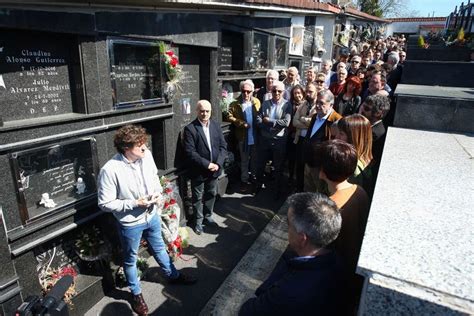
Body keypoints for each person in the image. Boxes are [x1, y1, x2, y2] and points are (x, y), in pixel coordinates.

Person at [98, 125, 197, 315]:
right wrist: (135, 203)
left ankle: (173, 275)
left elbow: (154, 178)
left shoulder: (146, 156)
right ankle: (136, 294)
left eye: (145, 144)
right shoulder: (110, 170)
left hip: (151, 215)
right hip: (130, 223)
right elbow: (105, 203)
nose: (145, 149)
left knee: (159, 247)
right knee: (130, 260)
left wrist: (157, 195)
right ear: (126, 148)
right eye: (140, 146)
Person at [239, 192, 344, 315]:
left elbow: (248, 311)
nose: (286, 228)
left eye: (288, 223)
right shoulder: (336, 261)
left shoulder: (288, 293)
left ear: (302, 239)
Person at [313, 139, 369, 313]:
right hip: (354, 270)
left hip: (334, 278)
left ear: (322, 171)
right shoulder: (359, 191)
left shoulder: (327, 209)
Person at [183, 100, 227, 235]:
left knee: (211, 194)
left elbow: (223, 147)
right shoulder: (190, 129)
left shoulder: (215, 125)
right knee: (197, 197)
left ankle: (208, 216)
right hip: (199, 171)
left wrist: (218, 164)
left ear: (211, 111)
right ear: (197, 111)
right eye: (202, 111)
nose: (204, 114)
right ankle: (198, 222)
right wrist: (207, 164)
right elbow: (190, 152)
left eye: (207, 111)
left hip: (214, 169)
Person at [256, 80, 292, 197]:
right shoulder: (265, 103)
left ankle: (276, 190)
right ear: (271, 91)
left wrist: (269, 122)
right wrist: (267, 127)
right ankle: (257, 187)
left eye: (279, 91)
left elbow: (286, 122)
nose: (276, 93)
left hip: (279, 140)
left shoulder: (287, 104)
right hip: (265, 138)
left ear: (283, 92)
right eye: (274, 91)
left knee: (278, 167)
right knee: (260, 164)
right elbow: (259, 119)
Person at [303, 89, 342, 192]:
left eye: (322, 103)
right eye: (317, 102)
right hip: (309, 163)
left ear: (331, 105)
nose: (317, 106)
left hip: (321, 168)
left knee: (319, 193)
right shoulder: (315, 116)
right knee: (308, 190)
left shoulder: (337, 121)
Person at [227, 80, 261, 193]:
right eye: (243, 91)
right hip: (243, 137)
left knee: (255, 160)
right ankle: (244, 181)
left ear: (252, 91)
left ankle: (254, 180)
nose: (246, 94)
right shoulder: (235, 103)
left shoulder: (256, 102)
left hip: (255, 137)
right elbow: (229, 116)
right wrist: (241, 123)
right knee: (244, 160)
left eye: (248, 91)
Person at [335, 114, 375, 196]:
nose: (336, 137)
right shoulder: (364, 158)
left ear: (353, 138)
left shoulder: (352, 166)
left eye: (341, 134)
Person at [358, 94, 391, 166]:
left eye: (366, 108)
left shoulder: (376, 134)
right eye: (363, 106)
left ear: (378, 113)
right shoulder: (368, 127)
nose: (362, 110)